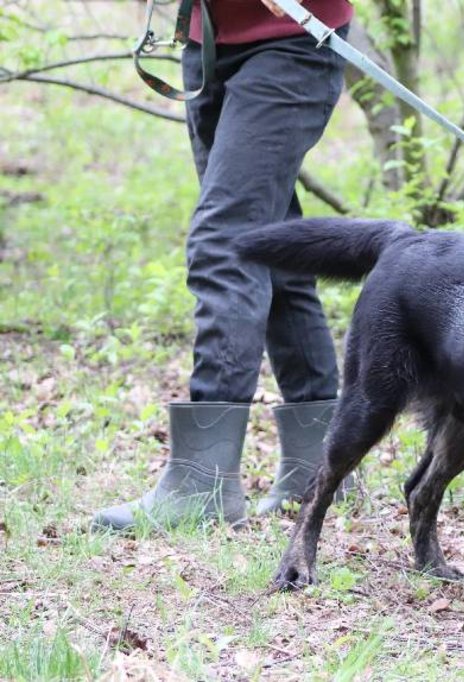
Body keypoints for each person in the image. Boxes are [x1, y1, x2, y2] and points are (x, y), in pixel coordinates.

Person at [93, 0, 354, 530]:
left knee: (225, 241)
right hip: (207, 43)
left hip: (295, 40)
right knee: (271, 247)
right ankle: (321, 470)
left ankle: (201, 484)